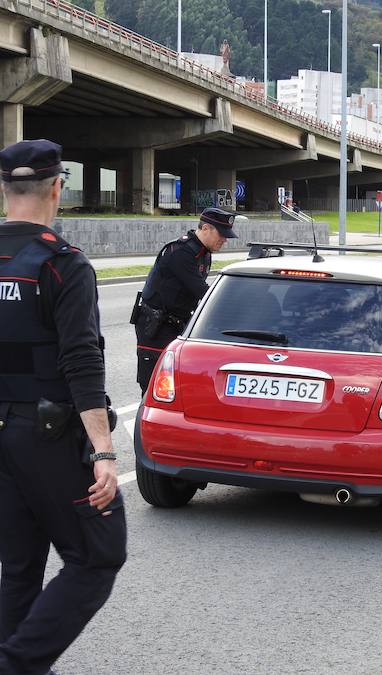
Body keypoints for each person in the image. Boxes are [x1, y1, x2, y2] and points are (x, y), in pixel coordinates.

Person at [0, 139, 126, 673]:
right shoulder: (62, 264)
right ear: (58, 187)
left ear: (4, 189)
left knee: (20, 566)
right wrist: (103, 451)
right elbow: (81, 361)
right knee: (98, 556)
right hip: (46, 435)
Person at [133, 207, 237, 394]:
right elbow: (202, 293)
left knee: (176, 386)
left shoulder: (203, 253)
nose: (225, 240)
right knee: (153, 388)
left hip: (177, 324)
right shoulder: (181, 252)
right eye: (221, 234)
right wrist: (230, 305)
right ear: (206, 228)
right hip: (156, 327)